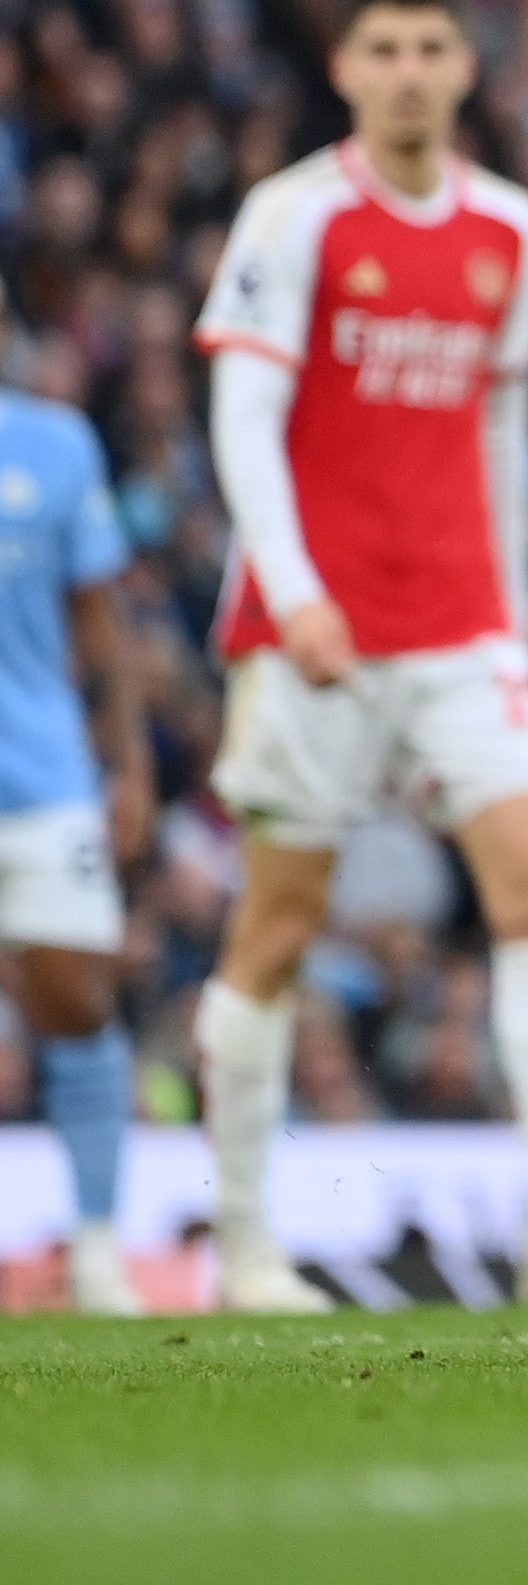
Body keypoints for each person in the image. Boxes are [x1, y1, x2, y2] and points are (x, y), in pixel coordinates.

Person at [191, 0, 528, 1312]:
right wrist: (291, 592)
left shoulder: (510, 228)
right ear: (345, 69)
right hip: (312, 628)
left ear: (466, 69)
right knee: (276, 928)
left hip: (462, 621)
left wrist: (510, 619)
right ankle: (239, 1247)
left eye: (431, 47)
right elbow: (241, 420)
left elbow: (500, 430)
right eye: (384, 47)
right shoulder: (292, 217)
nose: (408, 70)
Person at [0, 352, 153, 1313]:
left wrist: (130, 763)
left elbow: (101, 614)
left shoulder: (55, 443)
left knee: (79, 1003)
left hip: (44, 774)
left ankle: (97, 1247)